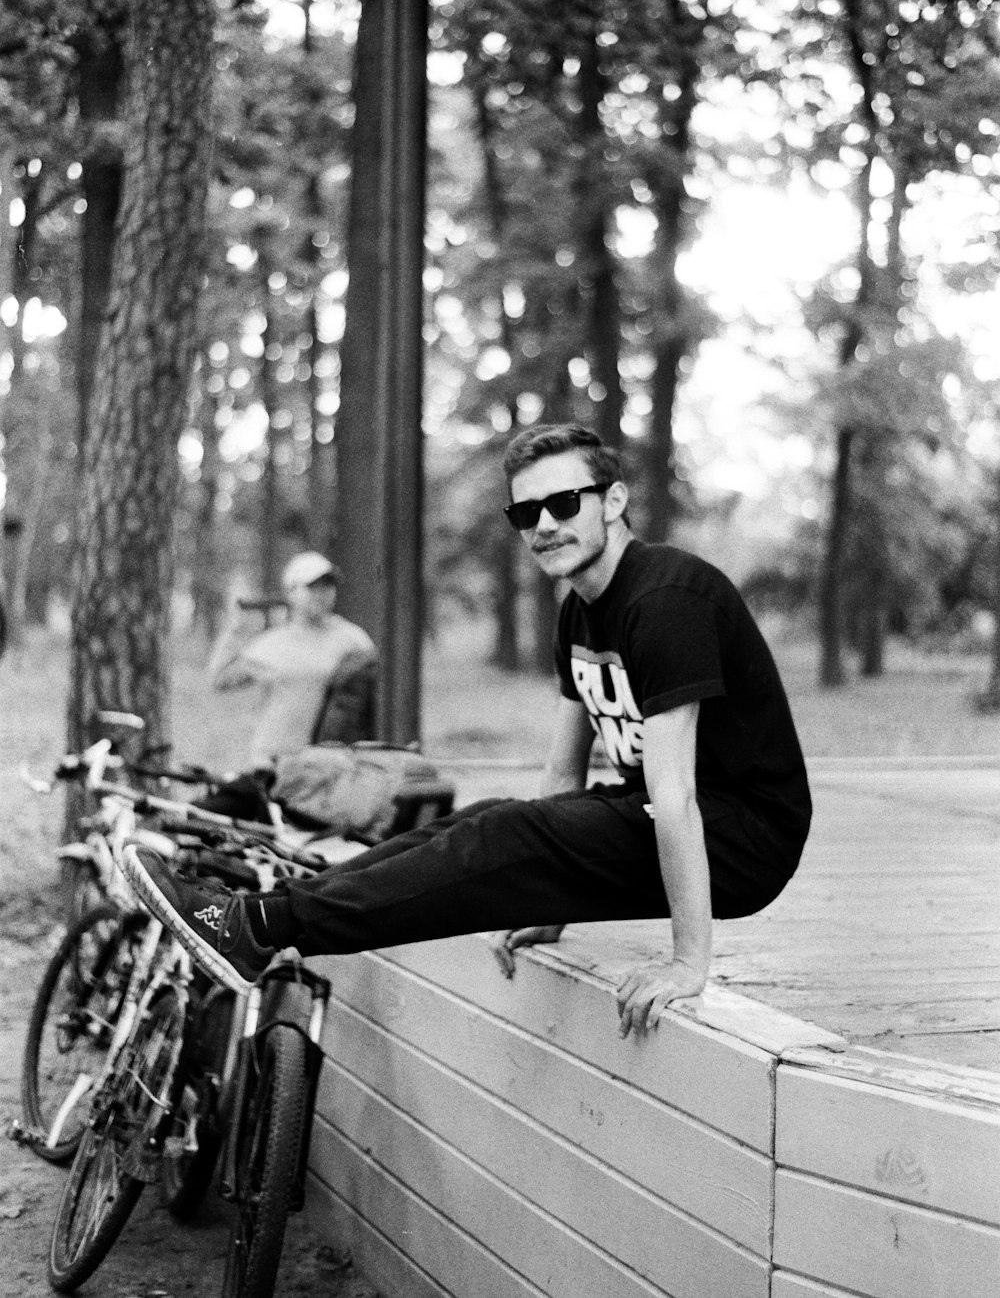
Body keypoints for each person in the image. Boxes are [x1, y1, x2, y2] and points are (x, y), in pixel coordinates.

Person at [125, 424, 811, 1039]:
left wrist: (689, 962)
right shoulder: (580, 611)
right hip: (662, 811)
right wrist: (552, 894)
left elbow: (676, 790)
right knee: (484, 820)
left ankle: (262, 926)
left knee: (501, 836)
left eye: (563, 503)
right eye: (525, 512)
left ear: (613, 500)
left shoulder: (665, 600)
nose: (543, 524)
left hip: (745, 834)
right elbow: (562, 778)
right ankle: (260, 918)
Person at [206, 551, 378, 769]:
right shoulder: (271, 644)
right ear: (291, 592)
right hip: (273, 762)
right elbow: (219, 679)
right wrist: (234, 630)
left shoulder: (352, 639)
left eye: (327, 585)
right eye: (312, 586)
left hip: (327, 766)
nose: (321, 593)